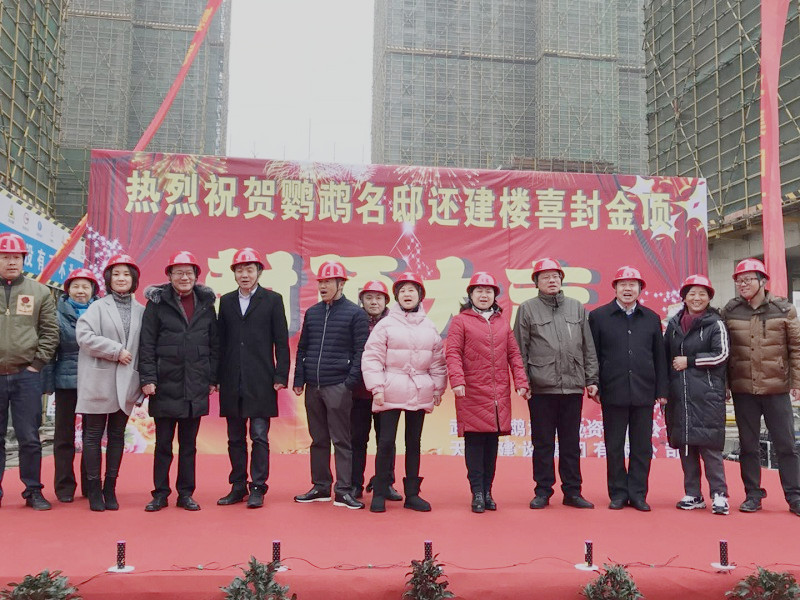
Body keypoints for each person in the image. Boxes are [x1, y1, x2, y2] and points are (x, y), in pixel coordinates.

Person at [513, 258, 598, 510]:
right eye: (545, 277)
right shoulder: (527, 309)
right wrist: (523, 381)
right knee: (543, 443)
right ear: (536, 282)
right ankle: (542, 491)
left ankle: (573, 491)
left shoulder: (576, 308)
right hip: (541, 388)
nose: (552, 281)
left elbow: (588, 347)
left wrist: (591, 379)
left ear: (561, 280)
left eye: (555, 276)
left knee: (571, 443)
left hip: (572, 386)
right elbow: (519, 350)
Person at [139, 250, 218, 512]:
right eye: (179, 272)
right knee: (163, 444)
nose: (184, 277)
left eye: (189, 273)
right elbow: (147, 343)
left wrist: (212, 378)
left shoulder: (206, 304)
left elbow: (214, 344)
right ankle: (160, 493)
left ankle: (186, 493)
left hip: (195, 383)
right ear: (170, 276)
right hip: (164, 383)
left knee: (189, 446)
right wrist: (148, 377)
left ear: (196, 276)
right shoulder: (157, 303)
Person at [362, 272, 447, 513]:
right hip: (391, 388)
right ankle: (380, 492)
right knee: (386, 442)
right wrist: (377, 387)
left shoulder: (429, 326)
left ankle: (412, 494)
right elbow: (372, 357)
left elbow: (438, 362)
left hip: (420, 389)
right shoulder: (385, 325)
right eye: (402, 291)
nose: (407, 294)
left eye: (412, 290)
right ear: (397, 296)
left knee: (413, 442)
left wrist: (438, 388)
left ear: (420, 295)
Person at [722, 258, 800, 516]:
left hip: (776, 389)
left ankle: (794, 496)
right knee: (748, 446)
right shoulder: (730, 310)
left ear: (763, 281)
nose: (742, 284)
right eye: (739, 280)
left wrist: (797, 382)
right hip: (743, 389)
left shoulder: (784, 309)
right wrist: (725, 385)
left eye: (748, 279)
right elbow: (724, 351)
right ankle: (753, 494)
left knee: (786, 445)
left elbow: (796, 349)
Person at [446, 272, 528, 513]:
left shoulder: (502, 322)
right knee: (475, 443)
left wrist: (521, 381)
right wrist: (457, 380)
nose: (484, 295)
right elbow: (452, 352)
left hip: (497, 394)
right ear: (470, 295)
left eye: (488, 291)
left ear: (494, 296)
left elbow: (514, 354)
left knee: (492, 445)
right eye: (479, 291)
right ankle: (477, 493)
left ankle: (488, 491)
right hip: (471, 391)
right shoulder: (460, 321)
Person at [589, 266, 668, 512]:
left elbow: (660, 356)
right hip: (613, 390)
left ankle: (638, 493)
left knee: (642, 447)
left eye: (632, 284)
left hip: (644, 391)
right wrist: (594, 383)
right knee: (614, 447)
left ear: (640, 289)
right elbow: (592, 354)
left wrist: (662, 390)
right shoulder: (599, 317)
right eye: (622, 284)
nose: (627, 289)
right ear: (614, 288)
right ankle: (618, 494)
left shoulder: (651, 318)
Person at [216, 248, 290, 509]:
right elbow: (219, 342)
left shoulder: (272, 300)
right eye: (240, 270)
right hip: (231, 379)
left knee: (259, 436)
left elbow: (281, 341)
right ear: (234, 274)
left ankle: (258, 486)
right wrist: (216, 376)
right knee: (235, 438)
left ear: (259, 272)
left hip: (261, 379)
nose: (244, 275)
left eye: (249, 269)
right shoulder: (226, 301)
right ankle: (237, 485)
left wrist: (281, 374)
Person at [293, 261, 369, 509]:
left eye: (328, 282)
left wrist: (349, 383)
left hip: (338, 385)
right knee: (318, 439)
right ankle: (320, 486)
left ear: (341, 284)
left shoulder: (355, 314)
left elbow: (361, 352)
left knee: (341, 440)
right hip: (313, 386)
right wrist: (299, 379)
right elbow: (302, 348)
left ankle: (344, 490)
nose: (323, 286)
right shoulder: (313, 313)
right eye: (321, 282)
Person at [76, 254, 145, 511]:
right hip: (98, 380)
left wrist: (142, 384)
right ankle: (94, 488)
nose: (121, 278)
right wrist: (115, 350)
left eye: (126, 274)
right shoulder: (97, 307)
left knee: (117, 436)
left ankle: (110, 487)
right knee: (93, 436)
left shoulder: (142, 311)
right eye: (116, 274)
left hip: (126, 383)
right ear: (108, 278)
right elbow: (84, 336)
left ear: (134, 279)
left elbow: (145, 348)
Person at [0, 232, 58, 510]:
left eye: (16, 257)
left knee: (30, 437)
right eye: (5, 257)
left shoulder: (40, 292)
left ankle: (33, 490)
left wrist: (37, 364)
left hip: (27, 375)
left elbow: (50, 331)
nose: (11, 262)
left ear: (24, 260)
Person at [663, 275, 730, 515]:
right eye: (692, 293)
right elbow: (665, 357)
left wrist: (690, 361)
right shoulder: (673, 324)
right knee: (686, 445)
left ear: (709, 297)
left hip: (707, 395)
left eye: (702, 294)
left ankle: (719, 495)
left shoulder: (716, 323)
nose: (697, 298)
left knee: (709, 446)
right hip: (679, 395)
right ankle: (693, 493)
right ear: (684, 297)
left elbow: (722, 354)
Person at [50, 268, 99, 503]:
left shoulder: (101, 313)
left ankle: (91, 484)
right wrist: (46, 383)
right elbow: (50, 349)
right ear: (68, 289)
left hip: (95, 381)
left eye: (85, 287)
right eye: (76, 286)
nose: (81, 291)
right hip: (66, 382)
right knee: (64, 436)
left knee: (92, 436)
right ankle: (64, 487)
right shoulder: (56, 314)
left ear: (93, 290)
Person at [350, 280, 401, 501]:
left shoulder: (395, 323)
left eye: (379, 298)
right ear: (362, 300)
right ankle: (354, 484)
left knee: (386, 441)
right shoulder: (354, 320)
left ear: (386, 301)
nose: (374, 302)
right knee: (357, 440)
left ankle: (385, 482)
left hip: (387, 392)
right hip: (358, 392)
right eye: (369, 297)